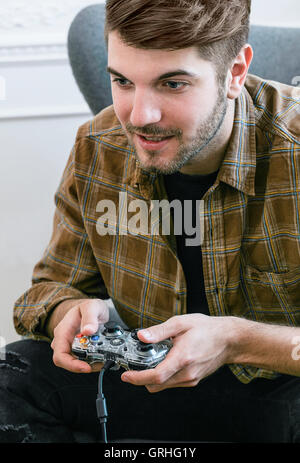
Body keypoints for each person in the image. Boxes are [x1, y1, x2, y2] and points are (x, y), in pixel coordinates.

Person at [1, 0, 300, 443]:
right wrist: (71, 311)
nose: (139, 116)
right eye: (122, 81)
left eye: (173, 83)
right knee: (11, 381)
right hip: (138, 383)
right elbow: (49, 288)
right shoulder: (98, 146)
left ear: (236, 72)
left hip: (278, 392)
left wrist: (236, 340)